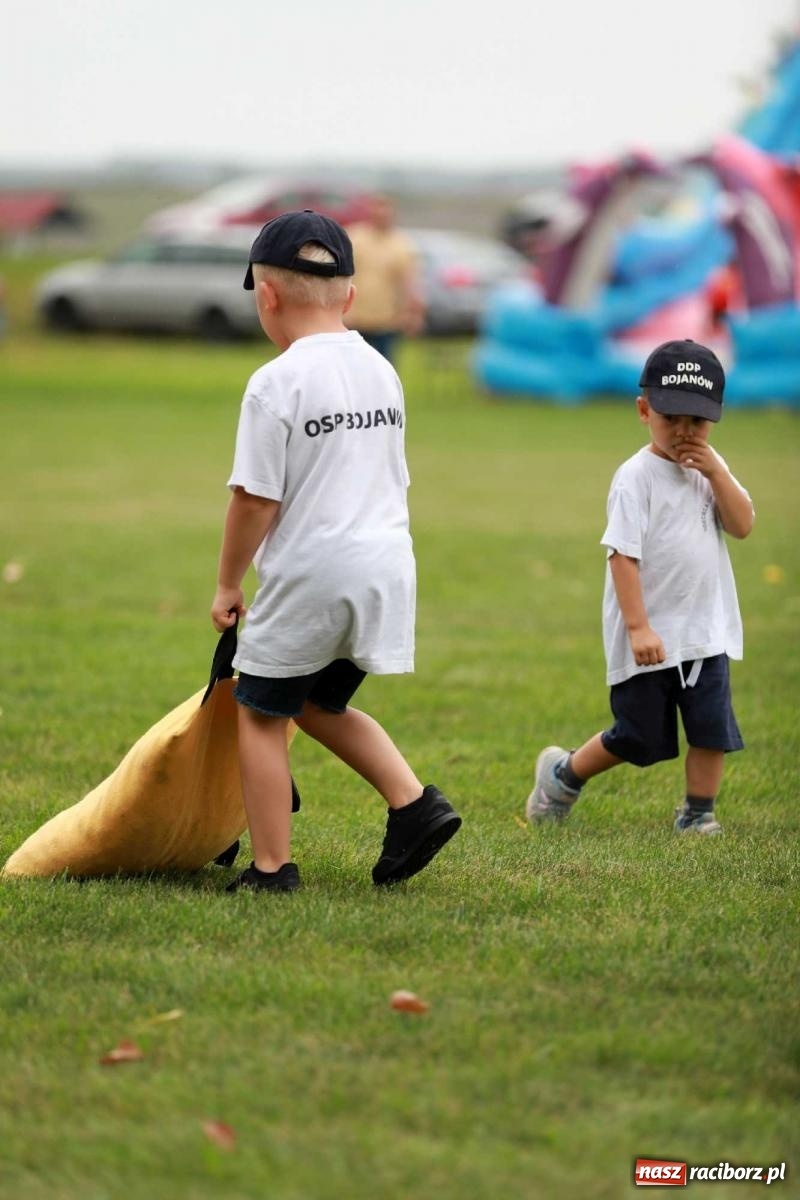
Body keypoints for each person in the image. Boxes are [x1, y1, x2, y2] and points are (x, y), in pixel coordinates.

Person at [210, 210, 460, 893]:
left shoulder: (275, 382)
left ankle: (271, 869)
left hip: (315, 571)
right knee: (318, 702)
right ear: (350, 296)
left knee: (260, 713)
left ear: (265, 296)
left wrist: (229, 583)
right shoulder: (381, 371)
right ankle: (415, 805)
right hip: (385, 566)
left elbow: (255, 499)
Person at [527, 340, 754, 835]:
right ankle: (562, 776)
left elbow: (742, 525)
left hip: (704, 632)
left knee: (711, 730)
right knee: (638, 737)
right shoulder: (636, 477)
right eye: (671, 417)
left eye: (697, 421)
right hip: (649, 637)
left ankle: (697, 814)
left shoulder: (710, 470)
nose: (684, 432)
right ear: (643, 410)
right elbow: (622, 556)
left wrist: (716, 472)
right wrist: (639, 627)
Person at [345, 195, 424, 365]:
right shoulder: (354, 238)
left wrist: (413, 313)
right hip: (356, 319)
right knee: (355, 369)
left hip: (387, 321)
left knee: (384, 368)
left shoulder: (402, 244)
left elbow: (410, 283)